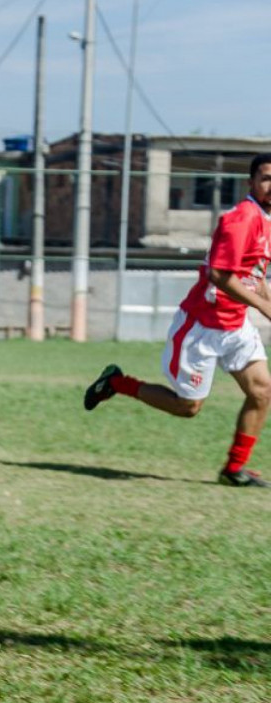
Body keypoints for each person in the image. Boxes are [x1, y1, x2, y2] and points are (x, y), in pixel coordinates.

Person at [85, 153, 271, 487]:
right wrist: (265, 308)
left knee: (262, 392)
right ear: (251, 182)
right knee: (188, 407)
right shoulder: (242, 219)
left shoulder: (267, 221)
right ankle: (116, 383)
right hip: (201, 326)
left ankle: (234, 469)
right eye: (267, 178)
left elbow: (254, 276)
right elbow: (218, 275)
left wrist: (265, 300)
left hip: (236, 325)